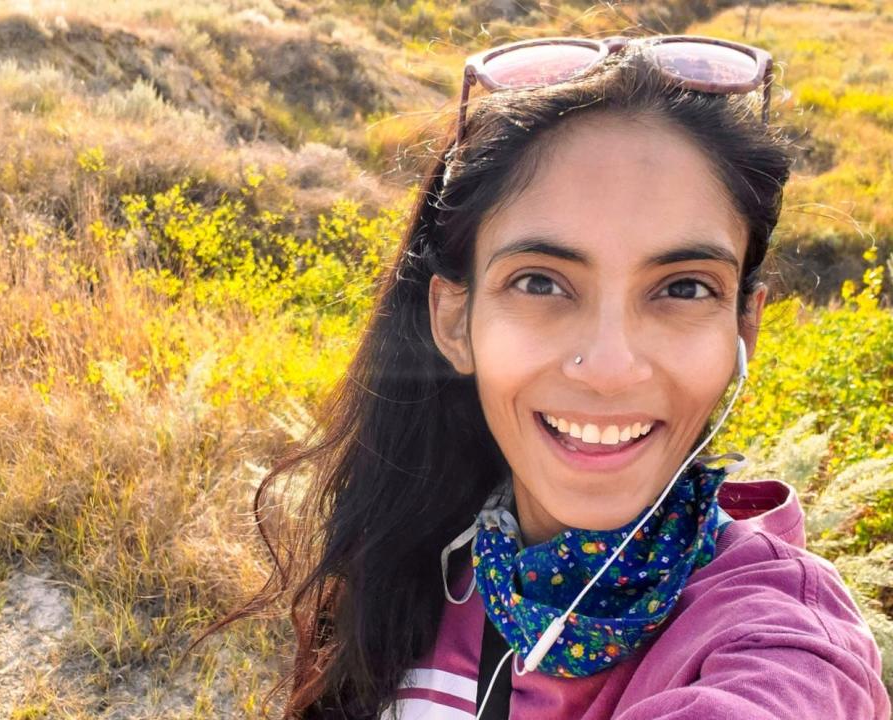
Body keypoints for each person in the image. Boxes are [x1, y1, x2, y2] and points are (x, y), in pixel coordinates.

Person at [225, 35, 891, 719]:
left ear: (743, 328)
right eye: (540, 282)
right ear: (456, 320)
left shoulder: (781, 643)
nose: (609, 369)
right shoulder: (413, 561)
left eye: (685, 288)